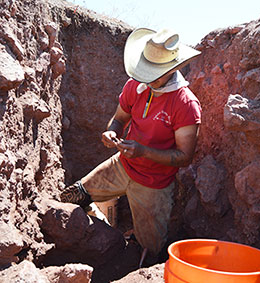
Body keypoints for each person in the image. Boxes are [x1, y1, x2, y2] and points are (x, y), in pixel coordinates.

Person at [60, 27, 202, 265]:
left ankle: (134, 244)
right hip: (122, 165)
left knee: (149, 256)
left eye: (154, 74)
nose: (146, 78)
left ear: (172, 69)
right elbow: (119, 119)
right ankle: (108, 234)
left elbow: (185, 157)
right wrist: (111, 132)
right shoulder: (135, 86)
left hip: (154, 184)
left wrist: (144, 151)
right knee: (72, 197)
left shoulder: (185, 104)